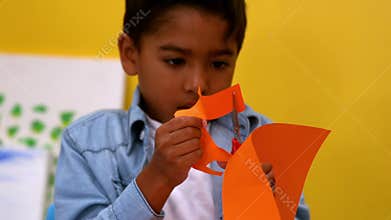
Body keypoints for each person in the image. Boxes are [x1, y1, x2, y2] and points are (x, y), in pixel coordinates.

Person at [54, 0, 310, 219]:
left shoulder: (261, 137)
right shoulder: (87, 143)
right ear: (130, 55)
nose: (198, 84)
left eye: (219, 64)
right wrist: (157, 179)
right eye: (175, 61)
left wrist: (261, 210)